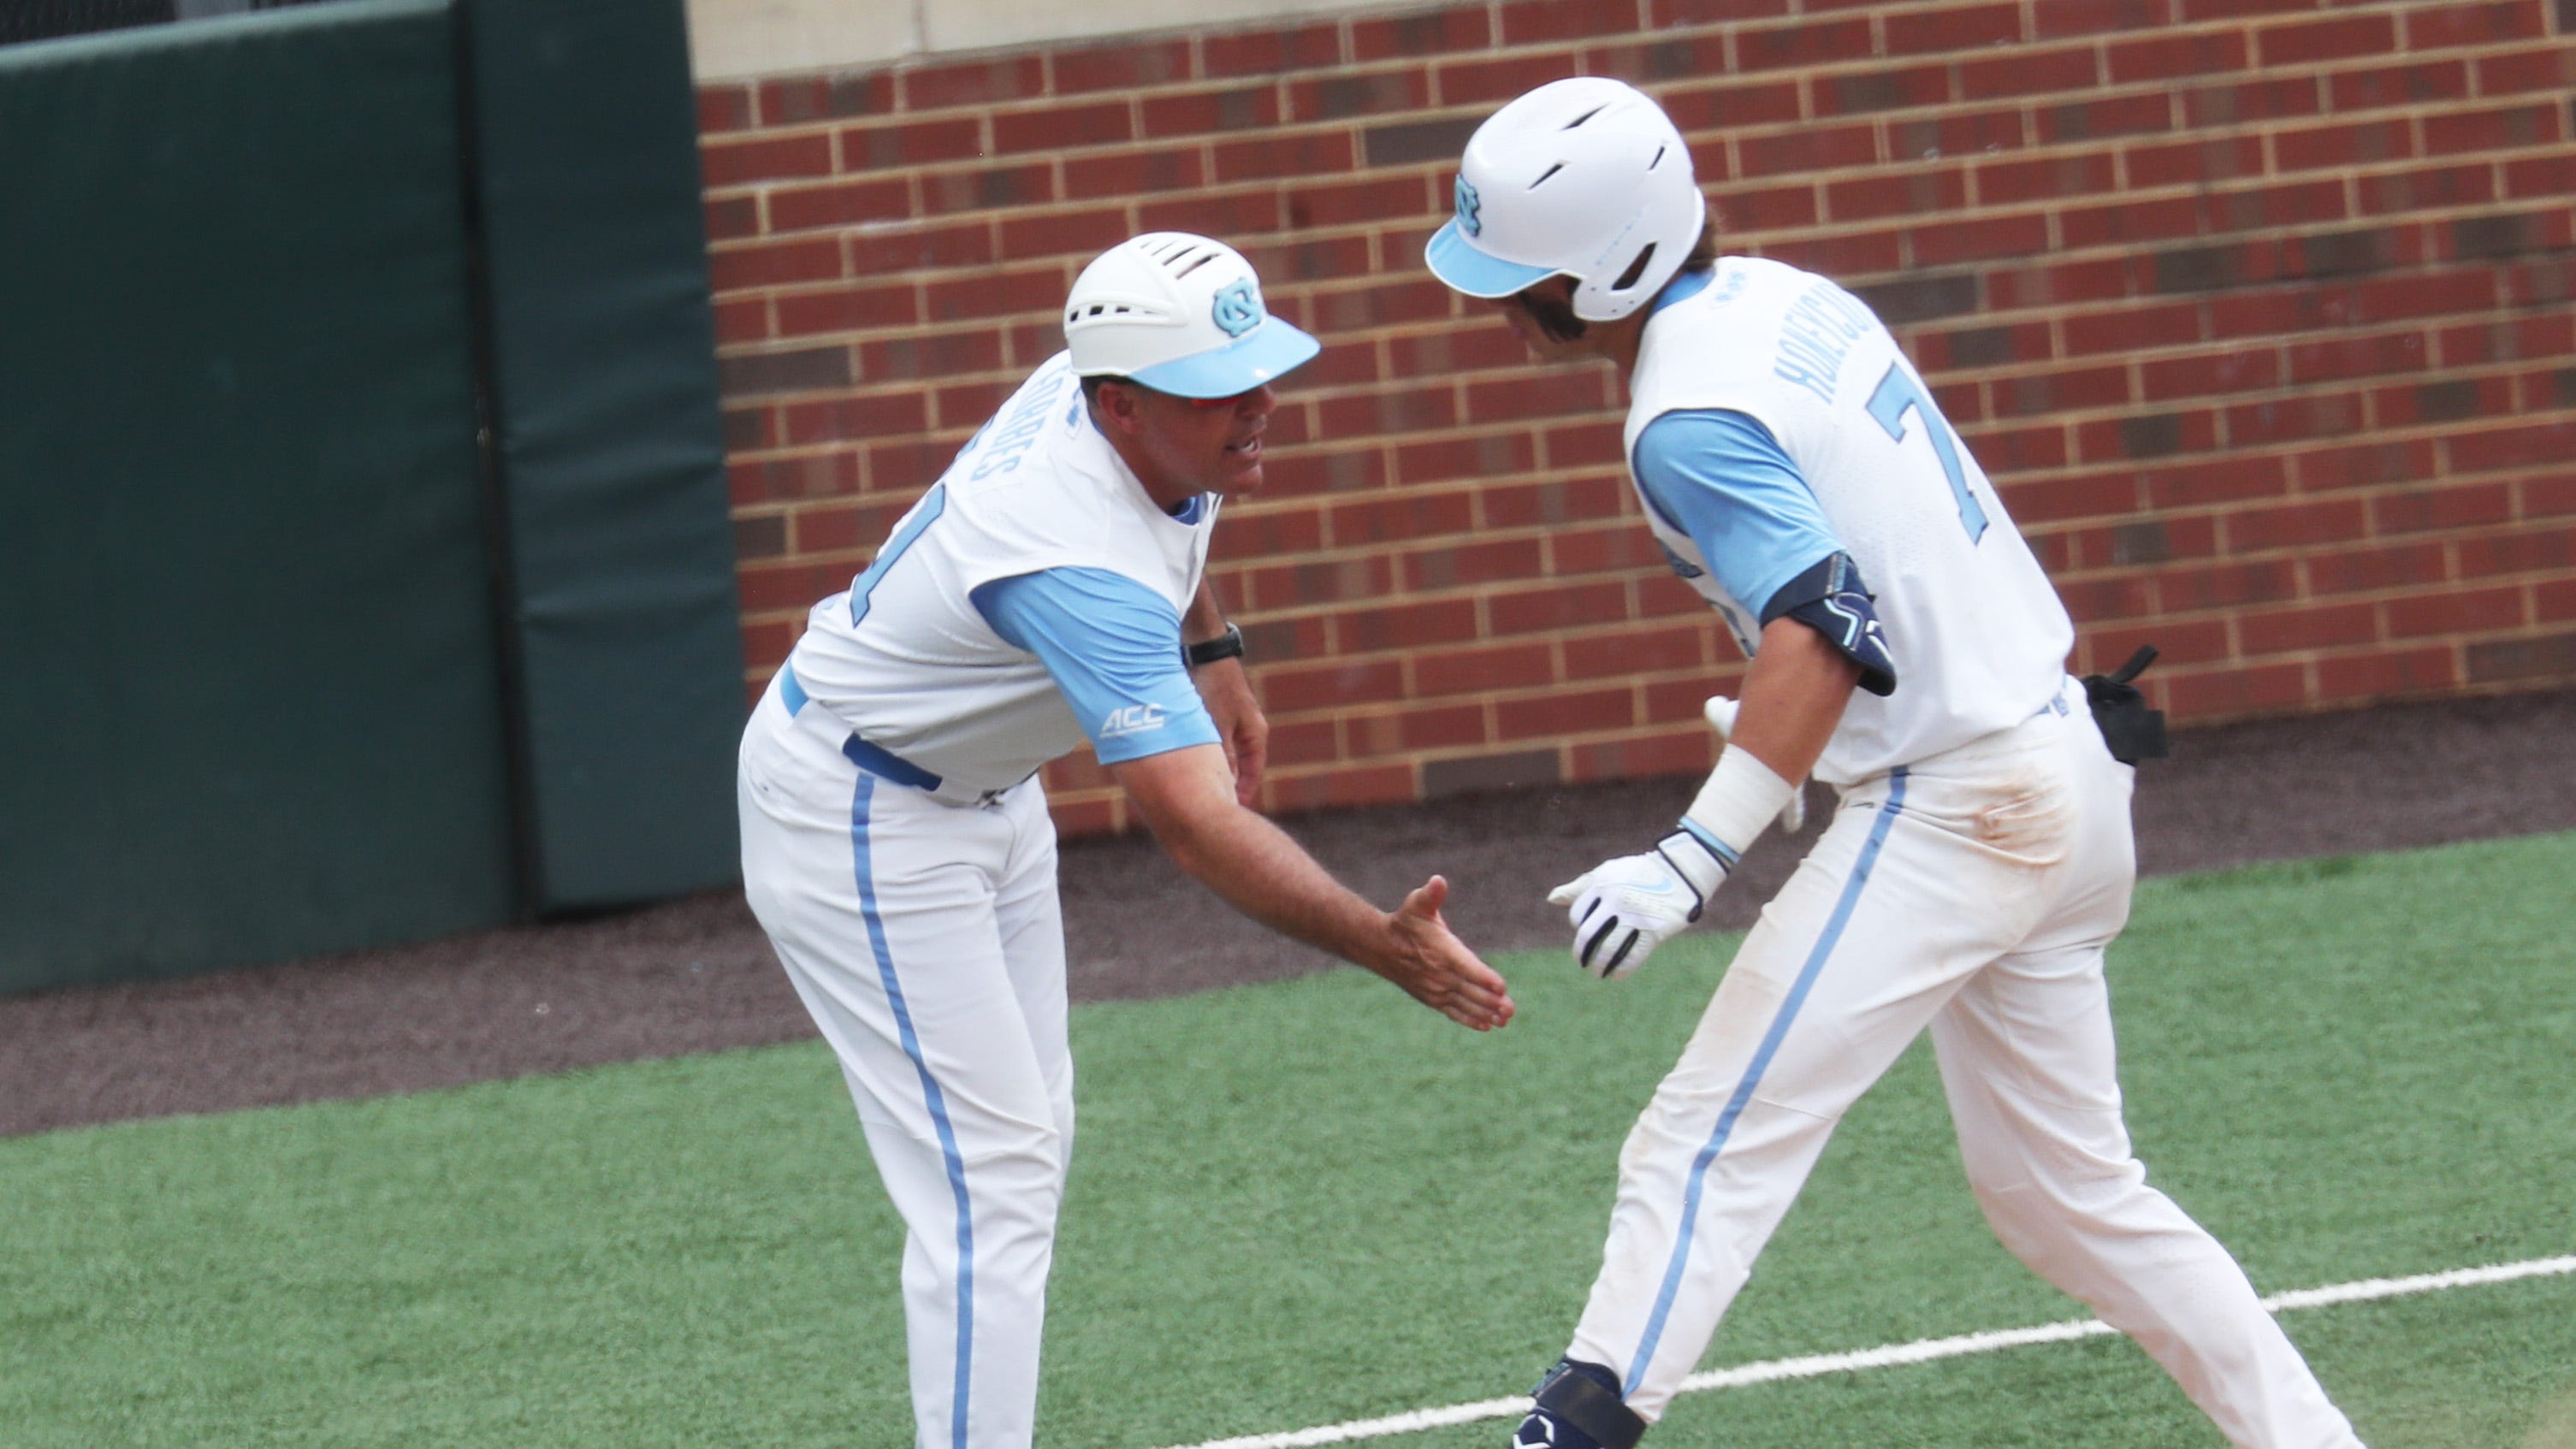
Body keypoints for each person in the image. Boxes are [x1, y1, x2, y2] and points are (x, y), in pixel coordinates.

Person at [1423, 78, 2366, 1449]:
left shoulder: (1684, 414)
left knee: (1701, 1143)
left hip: (1963, 808)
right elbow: (1882, 576)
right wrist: (1816, 736)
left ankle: (1576, 1431)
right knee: (2065, 1196)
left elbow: (1825, 626)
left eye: (1523, 275)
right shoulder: (1777, 295)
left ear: (1609, 262)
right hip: (2057, 764)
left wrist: (1696, 854)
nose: (1501, 304)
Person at [737, 231, 1515, 1449]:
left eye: (1260, 370)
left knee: (1026, 1152)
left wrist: (1215, 650)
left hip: (987, 794)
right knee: (989, 1181)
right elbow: (1201, 829)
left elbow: (1178, 511)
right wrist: (1379, 941)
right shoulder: (1067, 557)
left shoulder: (1111, 393)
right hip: (859, 817)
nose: (1261, 406)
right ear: (1123, 404)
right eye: (1225, 388)